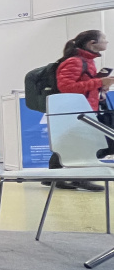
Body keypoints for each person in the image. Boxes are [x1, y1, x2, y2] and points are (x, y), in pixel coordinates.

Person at [48, 30, 114, 191]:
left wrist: (100, 88)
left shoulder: (87, 61)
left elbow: (83, 86)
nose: (106, 42)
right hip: (76, 111)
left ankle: (52, 176)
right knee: (86, 145)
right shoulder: (75, 62)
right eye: (104, 39)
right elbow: (66, 87)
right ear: (92, 43)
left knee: (70, 143)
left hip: (85, 109)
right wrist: (99, 82)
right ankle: (81, 178)